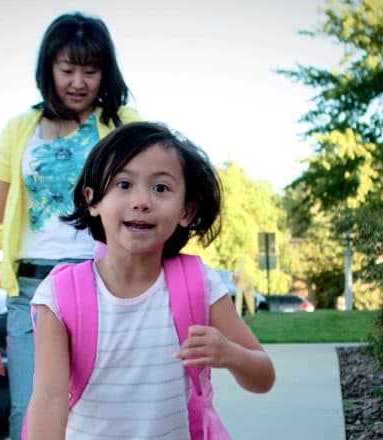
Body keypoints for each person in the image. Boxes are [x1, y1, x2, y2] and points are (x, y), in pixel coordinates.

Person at [0, 12, 139, 439]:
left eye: (90, 70)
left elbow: (146, 200)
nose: (78, 82)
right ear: (49, 68)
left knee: (99, 412)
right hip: (32, 290)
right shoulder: (19, 129)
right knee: (28, 414)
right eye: (67, 69)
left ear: (106, 73)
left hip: (101, 284)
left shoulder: (122, 124)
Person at [25, 122, 276, 439]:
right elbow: (49, 400)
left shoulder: (198, 283)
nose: (142, 201)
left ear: (186, 210)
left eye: (161, 188)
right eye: (123, 184)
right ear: (93, 200)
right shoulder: (60, 296)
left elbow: (263, 376)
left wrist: (231, 354)